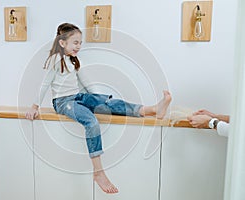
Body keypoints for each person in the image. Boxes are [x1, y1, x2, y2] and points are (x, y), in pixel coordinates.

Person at [25, 23, 172, 194]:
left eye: (80, 42)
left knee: (109, 103)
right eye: (75, 42)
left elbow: (85, 82)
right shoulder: (55, 60)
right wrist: (34, 106)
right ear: (62, 43)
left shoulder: (73, 60)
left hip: (78, 97)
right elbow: (44, 84)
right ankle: (99, 172)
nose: (78, 46)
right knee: (91, 122)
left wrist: (98, 101)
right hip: (63, 102)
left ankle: (153, 109)